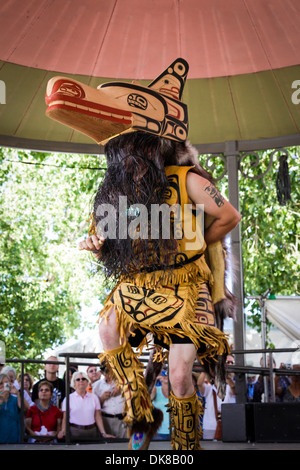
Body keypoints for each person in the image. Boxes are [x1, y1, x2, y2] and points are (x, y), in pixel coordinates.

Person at [48, 58, 241, 450]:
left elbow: (228, 215)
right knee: (106, 328)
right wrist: (96, 245)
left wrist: (200, 242)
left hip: (185, 288)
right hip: (136, 283)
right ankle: (139, 405)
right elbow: (101, 238)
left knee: (180, 375)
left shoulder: (186, 180)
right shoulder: (116, 194)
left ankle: (186, 448)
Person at [58, 371, 114, 442]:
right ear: (74, 383)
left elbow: (98, 417)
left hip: (92, 432)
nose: (81, 381)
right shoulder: (68, 399)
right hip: (75, 432)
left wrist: (103, 433)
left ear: (87, 382)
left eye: (83, 379)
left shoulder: (94, 397)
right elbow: (65, 418)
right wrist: (63, 430)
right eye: (78, 379)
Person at [93, 362, 127, 438]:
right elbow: (95, 409)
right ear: (101, 373)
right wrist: (102, 399)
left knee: (125, 444)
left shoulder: (124, 383)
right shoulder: (96, 386)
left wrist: (122, 389)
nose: (110, 374)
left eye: (111, 370)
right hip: (106, 420)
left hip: (123, 418)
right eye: (107, 372)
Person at [0, 372, 28, 443]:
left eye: (6, 383)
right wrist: (1, 399)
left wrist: (18, 393)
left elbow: (24, 409)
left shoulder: (15, 399)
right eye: (1, 383)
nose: (3, 386)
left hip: (14, 440)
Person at [151, 370, 170, 440]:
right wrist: (154, 379)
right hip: (158, 431)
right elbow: (150, 396)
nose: (166, 377)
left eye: (168, 375)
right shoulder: (155, 389)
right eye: (164, 375)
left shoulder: (176, 391)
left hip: (174, 430)